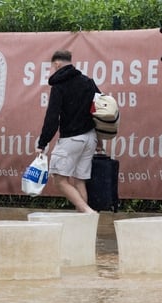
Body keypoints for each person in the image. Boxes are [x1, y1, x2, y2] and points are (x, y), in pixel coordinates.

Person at [36, 50, 99, 213]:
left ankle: (88, 212)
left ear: (57, 64)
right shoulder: (88, 82)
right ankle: (83, 224)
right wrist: (100, 139)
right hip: (90, 138)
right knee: (79, 181)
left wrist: (43, 142)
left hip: (71, 139)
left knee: (59, 180)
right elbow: (101, 109)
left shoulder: (59, 86)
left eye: (52, 67)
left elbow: (52, 117)